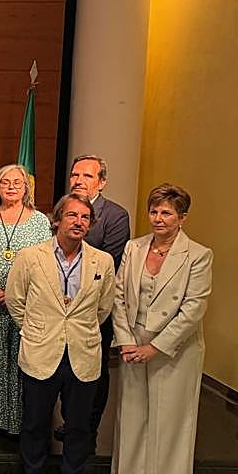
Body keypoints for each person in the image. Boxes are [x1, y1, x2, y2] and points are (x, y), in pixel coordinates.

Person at [6, 193, 115, 474]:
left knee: (79, 423)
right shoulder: (30, 257)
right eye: (72, 216)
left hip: (83, 352)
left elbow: (104, 307)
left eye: (85, 218)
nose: (79, 222)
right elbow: (15, 299)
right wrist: (34, 329)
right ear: (56, 220)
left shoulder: (102, 262)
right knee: (35, 420)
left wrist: (78, 330)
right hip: (40, 349)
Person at [109, 184, 212, 474]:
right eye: (154, 211)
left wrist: (155, 347)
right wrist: (126, 340)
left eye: (166, 212)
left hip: (174, 349)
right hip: (133, 342)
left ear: (182, 218)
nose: (158, 218)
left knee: (170, 421)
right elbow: (119, 295)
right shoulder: (133, 248)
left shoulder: (198, 255)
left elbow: (193, 309)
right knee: (133, 414)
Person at [0, 163, 51, 435]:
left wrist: (17, 295)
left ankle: (15, 420)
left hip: (26, 304)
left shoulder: (40, 220)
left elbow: (44, 262)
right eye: (5, 182)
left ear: (26, 187)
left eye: (17, 182)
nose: (11, 187)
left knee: (19, 360)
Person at [68, 154, 132, 437]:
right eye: (75, 175)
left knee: (94, 369)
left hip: (95, 308)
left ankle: (88, 427)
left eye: (87, 176)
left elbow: (111, 262)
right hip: (60, 308)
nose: (79, 180)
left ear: (102, 182)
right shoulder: (62, 210)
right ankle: (69, 421)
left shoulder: (115, 216)